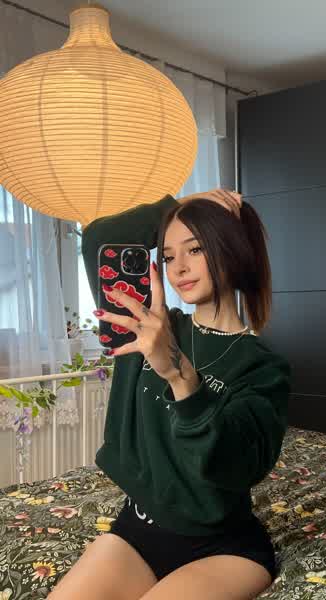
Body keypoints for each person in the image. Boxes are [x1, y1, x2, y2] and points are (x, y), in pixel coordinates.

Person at [48, 189, 291, 600]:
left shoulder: (262, 366)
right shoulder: (147, 325)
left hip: (222, 546)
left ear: (230, 249)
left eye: (195, 249)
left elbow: (239, 464)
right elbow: (99, 239)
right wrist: (177, 207)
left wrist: (179, 375)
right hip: (136, 529)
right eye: (167, 255)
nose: (179, 267)